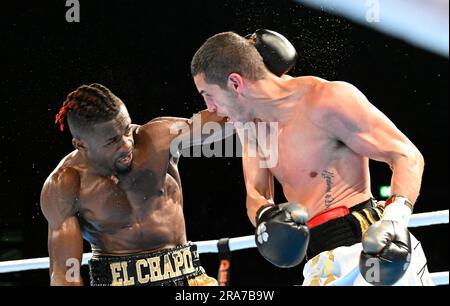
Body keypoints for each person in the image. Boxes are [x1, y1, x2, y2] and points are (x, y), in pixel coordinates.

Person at [190, 29, 434, 286]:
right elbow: (256, 192)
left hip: (370, 250)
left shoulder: (326, 100)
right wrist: (266, 216)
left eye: (208, 94)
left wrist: (394, 222)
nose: (210, 108)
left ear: (236, 83)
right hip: (319, 263)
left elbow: (406, 154)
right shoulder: (250, 125)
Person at [41, 83, 225, 286]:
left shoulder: (158, 139)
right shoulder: (66, 184)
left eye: (126, 129)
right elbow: (65, 275)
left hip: (188, 278)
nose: (127, 143)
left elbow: (228, 118)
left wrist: (255, 91)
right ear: (81, 145)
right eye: (112, 141)